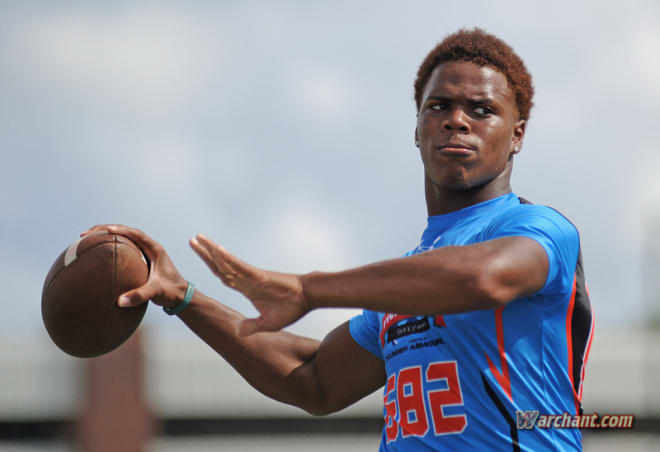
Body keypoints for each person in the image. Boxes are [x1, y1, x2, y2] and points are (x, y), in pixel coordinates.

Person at [83, 28, 594, 451]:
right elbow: (314, 379)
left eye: (481, 110)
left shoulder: (541, 229)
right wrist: (182, 296)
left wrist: (309, 290)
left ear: (518, 134)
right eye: (439, 106)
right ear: (417, 129)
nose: (456, 120)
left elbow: (485, 277)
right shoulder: (408, 281)